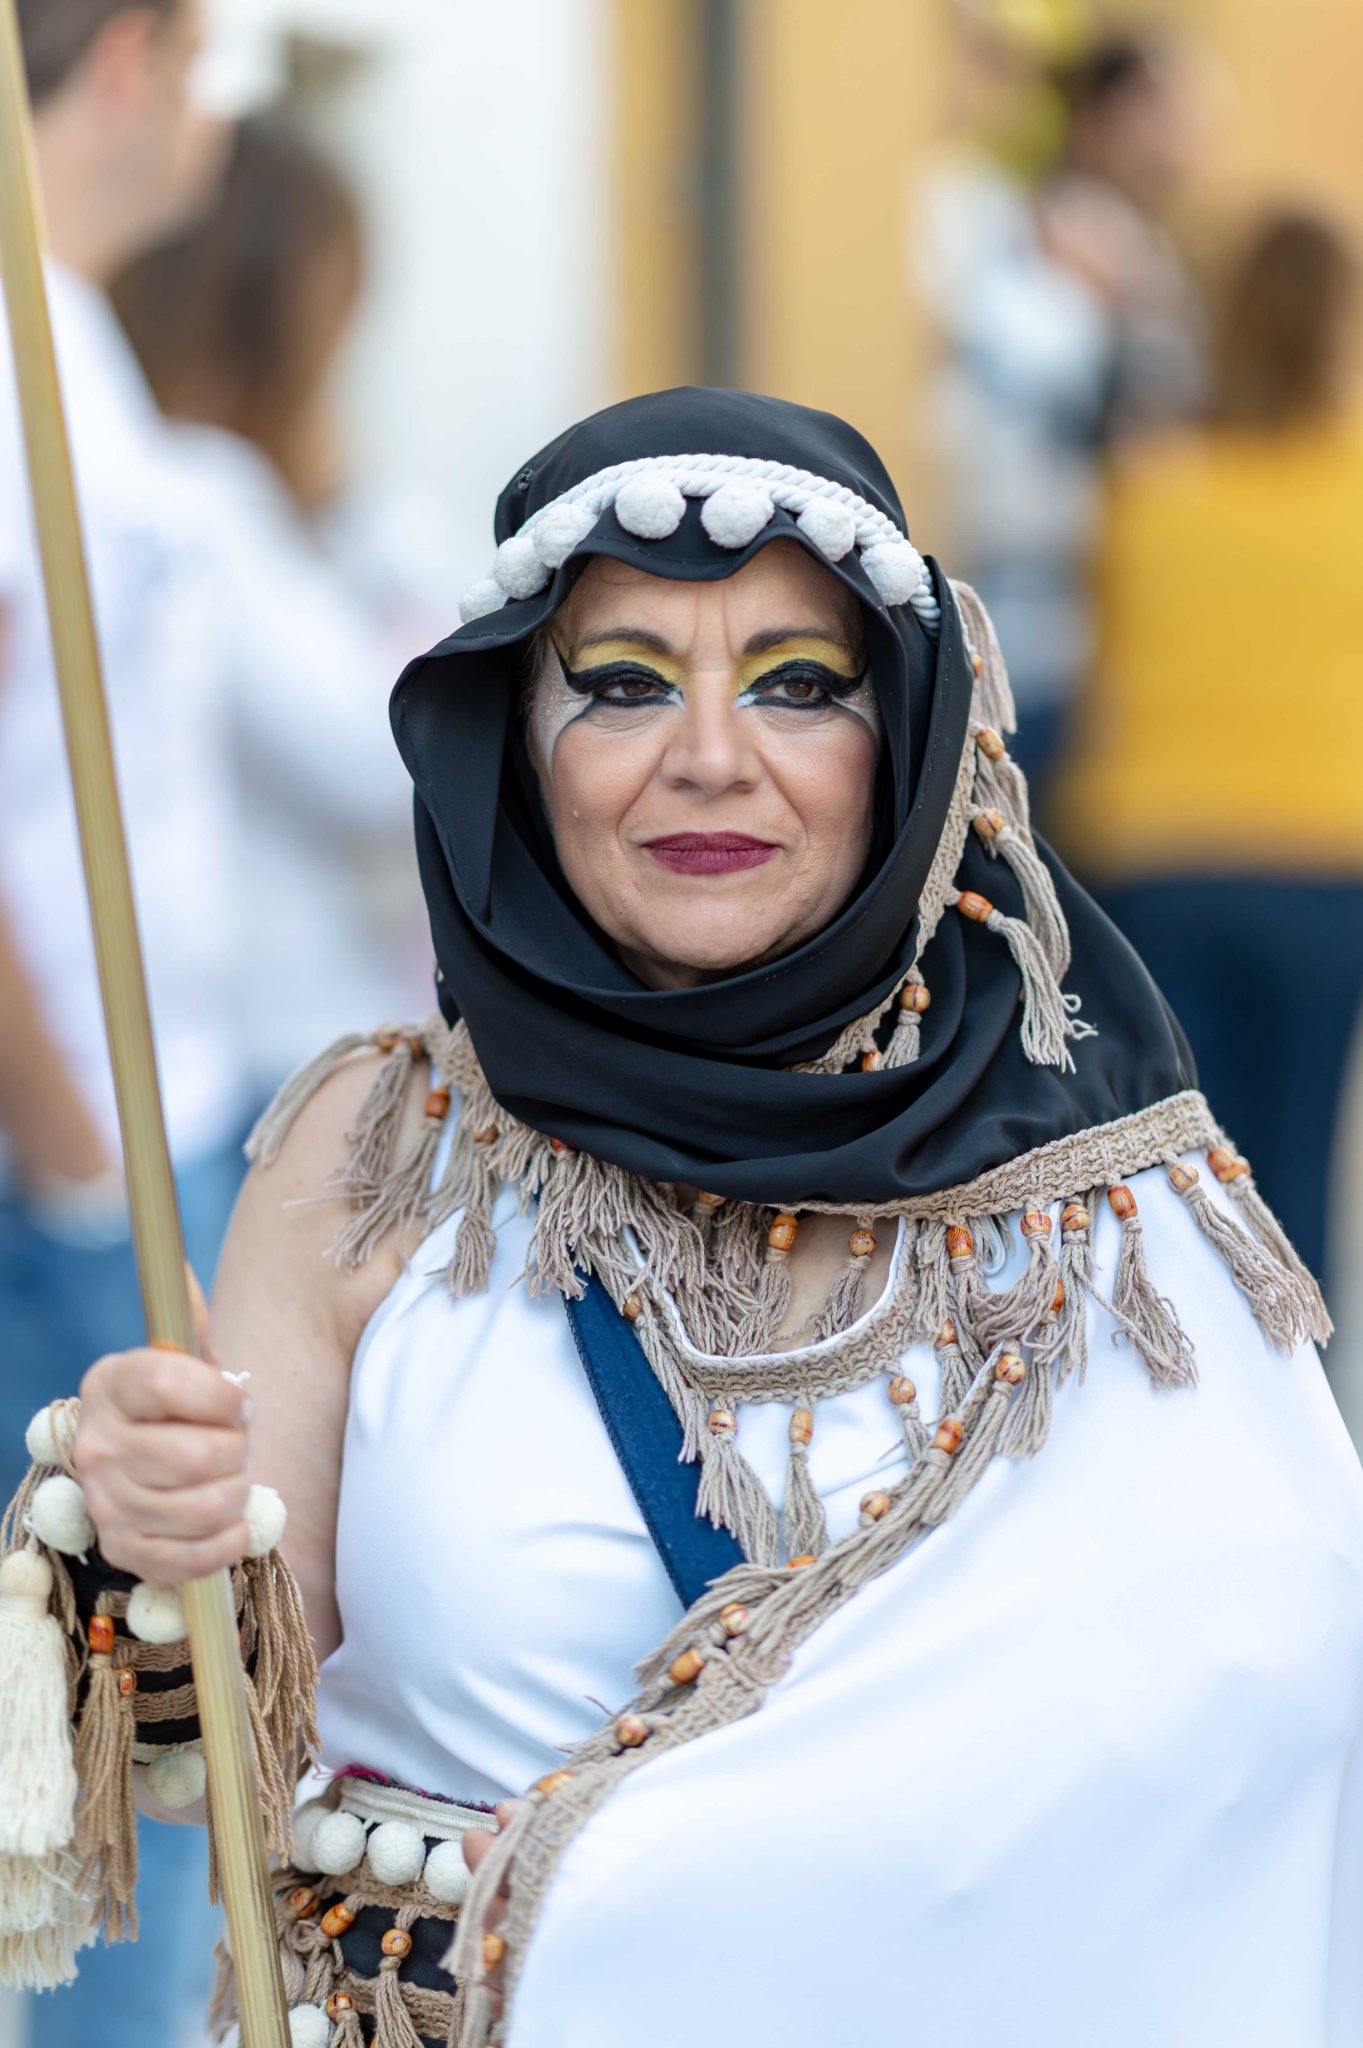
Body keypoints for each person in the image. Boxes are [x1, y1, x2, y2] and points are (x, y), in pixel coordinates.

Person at [4, 388, 1361, 2048]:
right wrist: (142, 1524)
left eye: (796, 683)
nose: (709, 755)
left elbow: (1265, 1736)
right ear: (515, 743)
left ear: (904, 738)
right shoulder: (369, 1153)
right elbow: (195, 1755)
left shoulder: (1108, 1214)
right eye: (622, 682)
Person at [0, 0, 237, 2040]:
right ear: (139, 56)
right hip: (64, 1172)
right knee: (116, 1774)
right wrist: (80, 1155)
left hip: (131, 1134)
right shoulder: (14, 340)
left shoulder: (72, 329)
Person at [1050, 209, 1363, 1295]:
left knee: (1178, 1170)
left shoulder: (1147, 485)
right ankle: (1293, 1378)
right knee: (1296, 1163)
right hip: (1320, 850)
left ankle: (1176, 1372)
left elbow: (1108, 662)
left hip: (1160, 851)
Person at [109, 115, 437, 1103]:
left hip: (298, 1015)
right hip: (271, 1036)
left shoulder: (285, 503)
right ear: (269, 308)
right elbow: (378, 754)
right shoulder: (195, 493)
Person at [917, 28, 1206, 804]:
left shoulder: (1137, 248)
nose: (1189, 136)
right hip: (1031, 626)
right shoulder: (1027, 242)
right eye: (1164, 112)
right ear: (1095, 118)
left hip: (1106, 630)